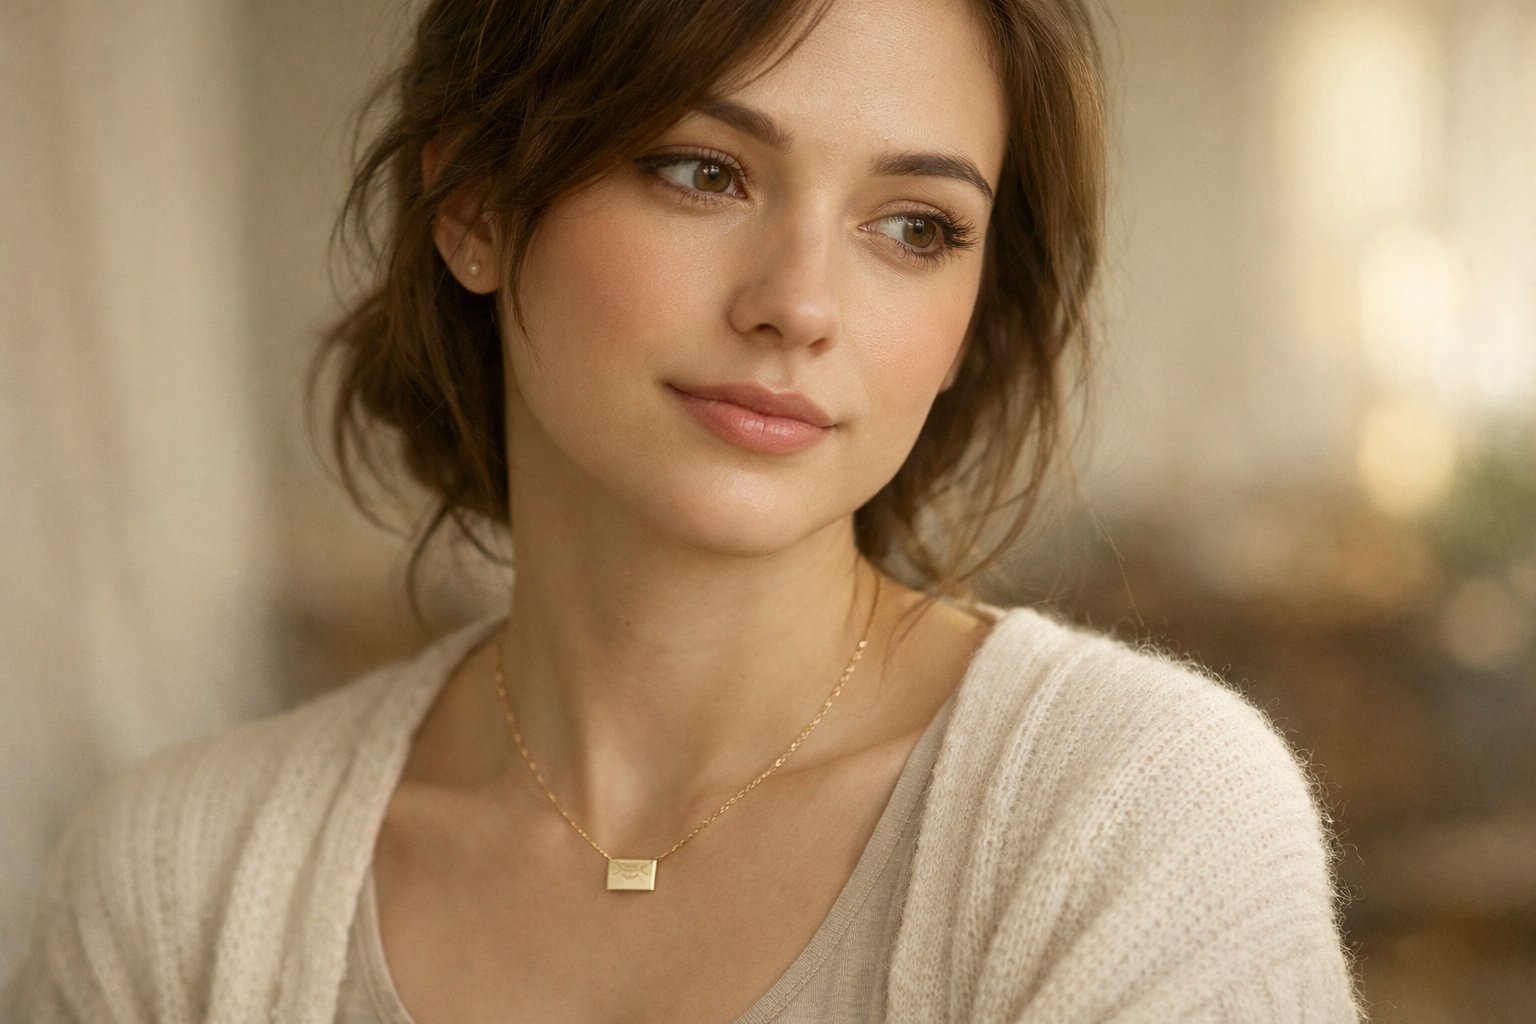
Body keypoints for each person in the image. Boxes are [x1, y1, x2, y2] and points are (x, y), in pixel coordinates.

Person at [4, 0, 1362, 1020]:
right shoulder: (179, 884)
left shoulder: (1134, 818)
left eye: (915, 227)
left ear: (967, 320)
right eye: (703, 171)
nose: (801, 304)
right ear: (472, 200)